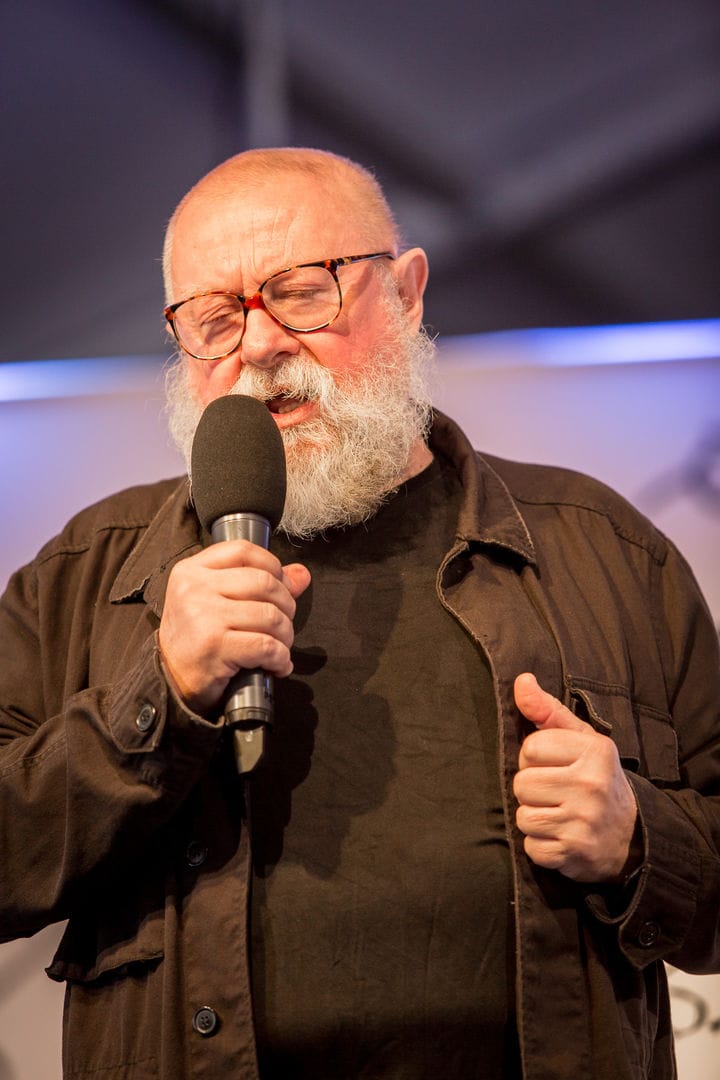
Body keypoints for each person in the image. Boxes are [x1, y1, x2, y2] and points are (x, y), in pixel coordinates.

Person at [0, 147, 718, 1080]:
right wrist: (156, 695)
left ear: (408, 292)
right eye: (214, 319)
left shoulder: (604, 550)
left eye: (302, 293)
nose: (260, 345)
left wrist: (635, 839)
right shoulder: (82, 578)